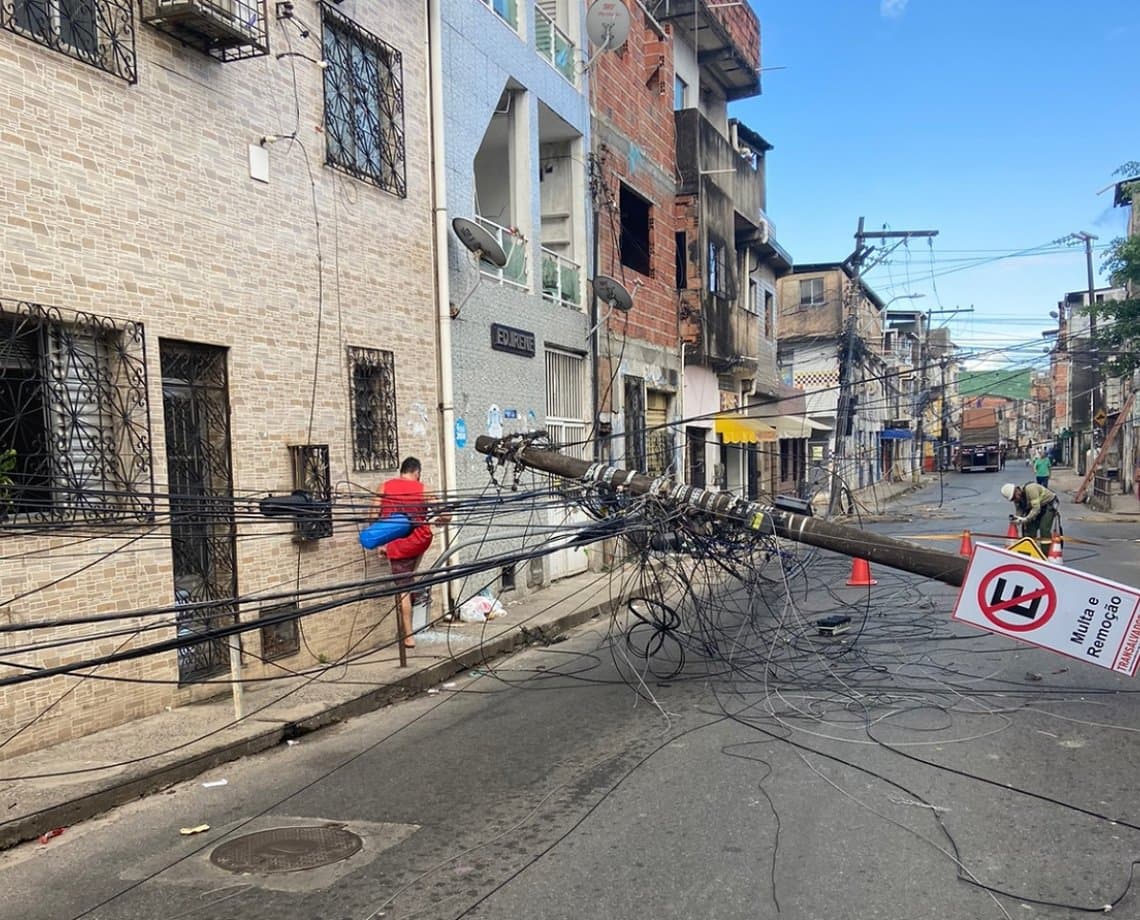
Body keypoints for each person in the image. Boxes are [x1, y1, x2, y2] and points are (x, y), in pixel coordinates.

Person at [371, 457, 441, 649]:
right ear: (416, 472)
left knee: (402, 590)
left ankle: (409, 637)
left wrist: (380, 542)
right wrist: (441, 520)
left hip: (398, 545)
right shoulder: (424, 489)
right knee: (408, 578)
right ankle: (412, 584)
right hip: (421, 540)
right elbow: (445, 513)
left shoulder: (384, 487)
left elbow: (372, 514)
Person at [1000, 481, 1059, 548]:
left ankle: (1045, 553)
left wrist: (1026, 519)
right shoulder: (1017, 500)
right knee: (1029, 530)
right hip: (1035, 507)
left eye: (1015, 496)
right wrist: (1017, 519)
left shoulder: (1031, 489)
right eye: (1013, 499)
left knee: (1044, 529)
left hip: (1048, 504)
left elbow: (1036, 509)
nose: (1016, 499)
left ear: (1017, 489)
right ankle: (1030, 551)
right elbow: (1019, 511)